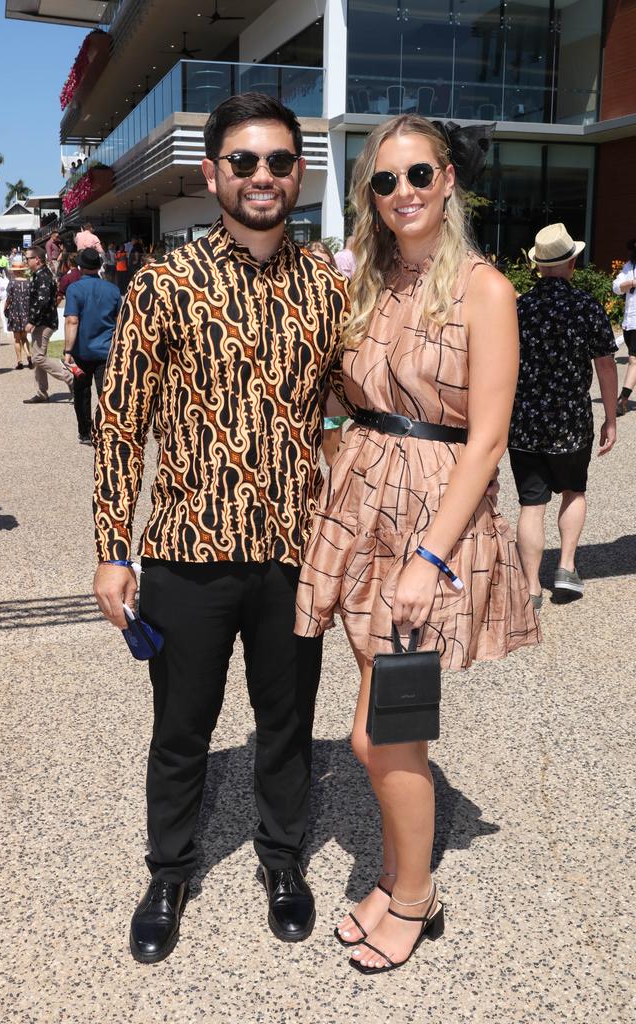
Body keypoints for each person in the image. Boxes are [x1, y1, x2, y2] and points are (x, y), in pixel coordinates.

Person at [92, 93, 349, 964]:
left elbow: (357, 407)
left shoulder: (327, 286)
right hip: (185, 556)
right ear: (211, 175)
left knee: (288, 723)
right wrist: (110, 552)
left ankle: (282, 860)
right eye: (244, 162)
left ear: (299, 172)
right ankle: (169, 870)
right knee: (181, 729)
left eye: (279, 160)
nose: (263, 177)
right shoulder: (164, 285)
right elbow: (121, 425)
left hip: (291, 553)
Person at [294, 115, 540, 974]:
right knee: (377, 724)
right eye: (385, 181)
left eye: (419, 175)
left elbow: (488, 439)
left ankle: (413, 899)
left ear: (449, 182)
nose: (403, 193)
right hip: (365, 507)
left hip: (434, 520)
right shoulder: (366, 280)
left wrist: (431, 555)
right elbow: (334, 390)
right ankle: (404, 878)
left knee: (387, 734)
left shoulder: (483, 289)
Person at [508, 222, 618, 604]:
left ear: (538, 266)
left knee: (531, 504)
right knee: (575, 491)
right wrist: (611, 417)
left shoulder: (518, 309)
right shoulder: (586, 306)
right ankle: (566, 568)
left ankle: (531, 588)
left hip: (524, 424)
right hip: (571, 422)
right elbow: (605, 364)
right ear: (572, 262)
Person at [62, 248, 120, 445]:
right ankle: (107, 428)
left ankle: (86, 431)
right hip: (106, 348)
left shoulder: (75, 289)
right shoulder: (112, 290)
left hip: (82, 350)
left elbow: (72, 320)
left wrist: (68, 350)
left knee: (82, 392)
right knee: (106, 391)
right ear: (98, 266)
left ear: (80, 266)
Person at [305, 241, 349, 465]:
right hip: (299, 399)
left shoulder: (342, 300)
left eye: (324, 263)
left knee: (334, 460)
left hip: (329, 391)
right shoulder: (292, 303)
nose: (319, 270)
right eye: (312, 263)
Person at [23, 245, 73, 403]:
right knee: (39, 356)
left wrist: (32, 321)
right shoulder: (39, 274)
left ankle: (70, 377)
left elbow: (43, 302)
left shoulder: (43, 276)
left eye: (28, 258)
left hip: (45, 322)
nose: (26, 261)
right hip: (42, 322)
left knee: (37, 358)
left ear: (37, 259)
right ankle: (42, 392)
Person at [613, 238, 636, 416]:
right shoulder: (629, 267)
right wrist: (632, 283)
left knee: (634, 360)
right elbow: (616, 287)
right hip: (631, 321)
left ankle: (623, 398)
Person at [4, 262, 32, 369]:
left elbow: (9, 298)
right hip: (26, 311)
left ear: (14, 272)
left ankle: (19, 361)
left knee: (17, 339)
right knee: (24, 337)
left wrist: (5, 307)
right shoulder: (29, 282)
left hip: (15, 311)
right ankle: (29, 355)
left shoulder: (12, 283)